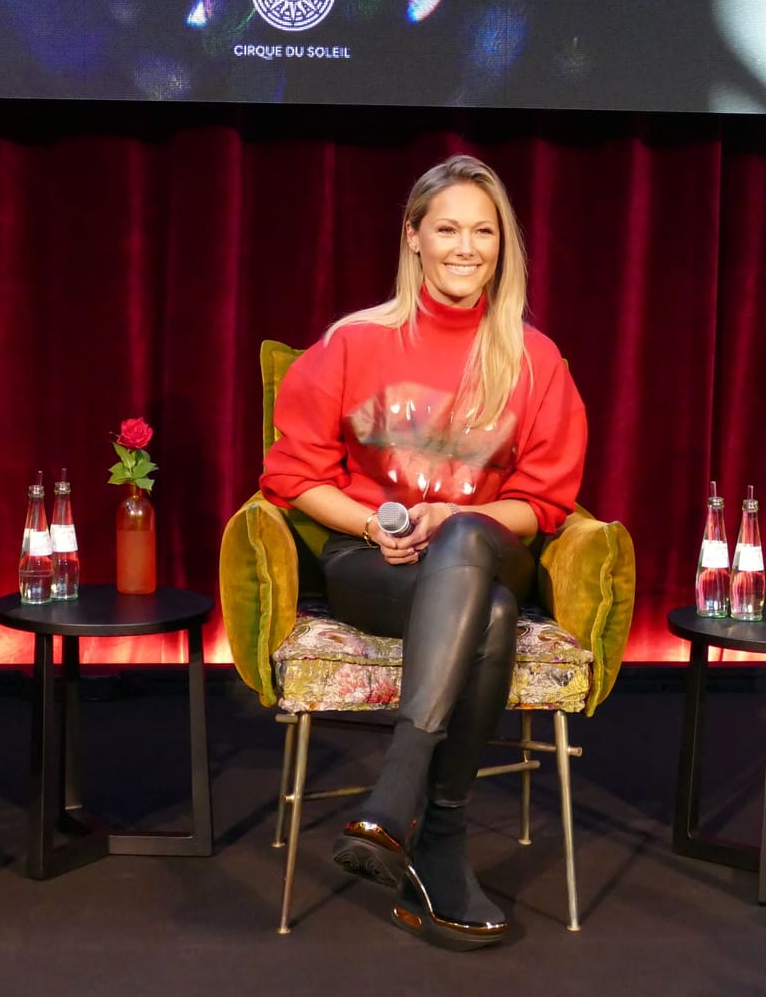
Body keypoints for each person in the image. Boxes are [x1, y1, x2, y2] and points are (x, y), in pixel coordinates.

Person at [259, 154, 588, 950]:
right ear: (413, 237)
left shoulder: (535, 360)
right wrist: (374, 525)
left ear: (502, 247)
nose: (466, 247)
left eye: (484, 231)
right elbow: (292, 476)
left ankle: (397, 788)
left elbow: (544, 502)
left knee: (473, 535)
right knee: (494, 616)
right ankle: (437, 838)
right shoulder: (352, 345)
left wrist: (453, 516)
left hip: (489, 544)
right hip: (375, 563)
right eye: (447, 228)